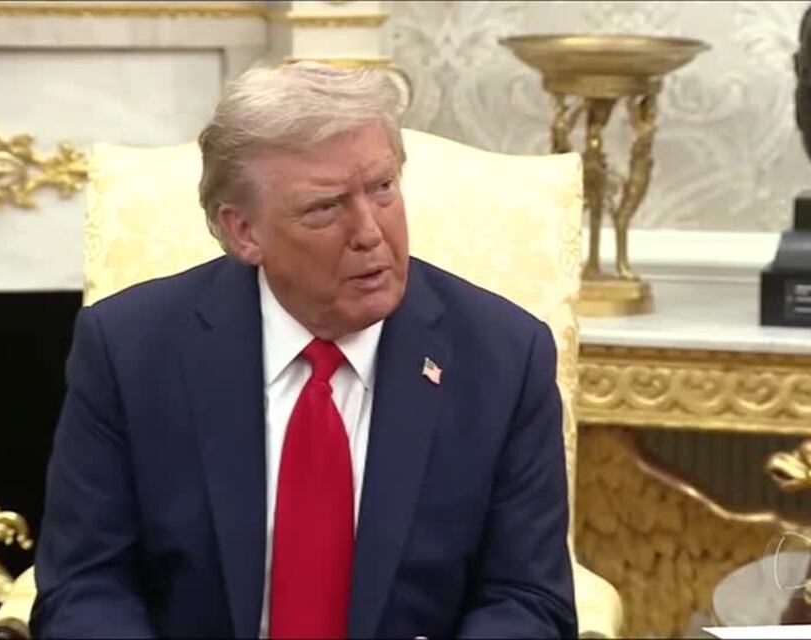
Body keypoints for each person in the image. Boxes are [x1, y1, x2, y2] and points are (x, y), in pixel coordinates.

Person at [31, 62, 577, 639]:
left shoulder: (503, 357)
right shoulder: (130, 350)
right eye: (325, 208)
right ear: (244, 232)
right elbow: (85, 584)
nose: (369, 231)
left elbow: (527, 598)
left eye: (382, 188)